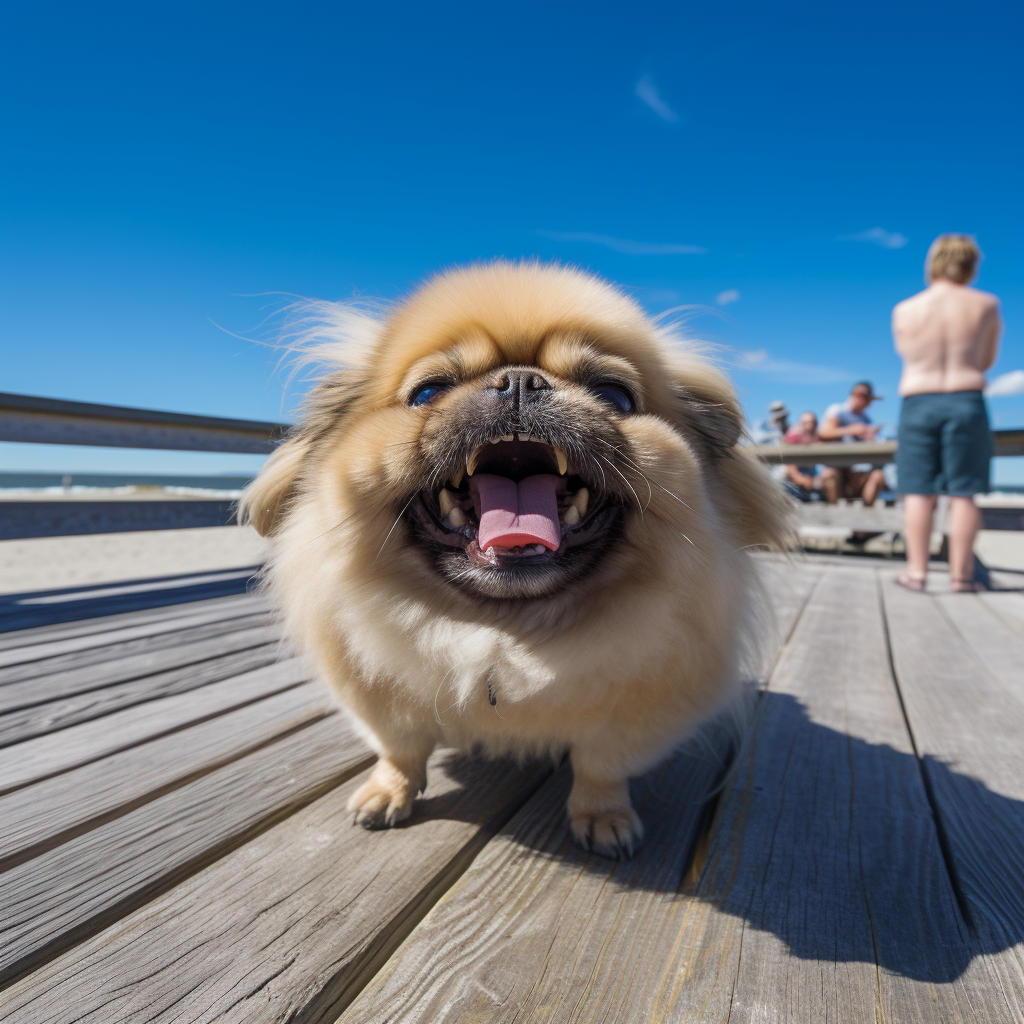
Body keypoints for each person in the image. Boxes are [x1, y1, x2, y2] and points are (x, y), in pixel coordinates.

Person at [891, 234, 1001, 592]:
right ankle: (961, 577)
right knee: (963, 493)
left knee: (918, 491)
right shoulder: (986, 304)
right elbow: (985, 360)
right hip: (966, 398)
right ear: (971, 265)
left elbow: (907, 354)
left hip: (918, 400)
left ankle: (917, 573)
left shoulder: (905, 308)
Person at [819, 382, 887, 506]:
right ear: (860, 396)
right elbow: (824, 432)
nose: (870, 404)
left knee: (878, 476)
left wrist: (870, 437)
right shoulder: (837, 410)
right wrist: (851, 430)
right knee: (828, 474)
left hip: (860, 469)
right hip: (838, 468)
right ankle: (835, 515)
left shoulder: (866, 419)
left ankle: (866, 516)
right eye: (868, 400)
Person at [783, 411, 840, 502]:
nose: (809, 426)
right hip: (797, 482)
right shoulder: (793, 441)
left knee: (830, 474)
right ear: (800, 425)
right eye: (805, 423)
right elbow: (790, 468)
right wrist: (800, 478)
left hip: (817, 480)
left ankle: (834, 508)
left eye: (813, 423)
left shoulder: (821, 439)